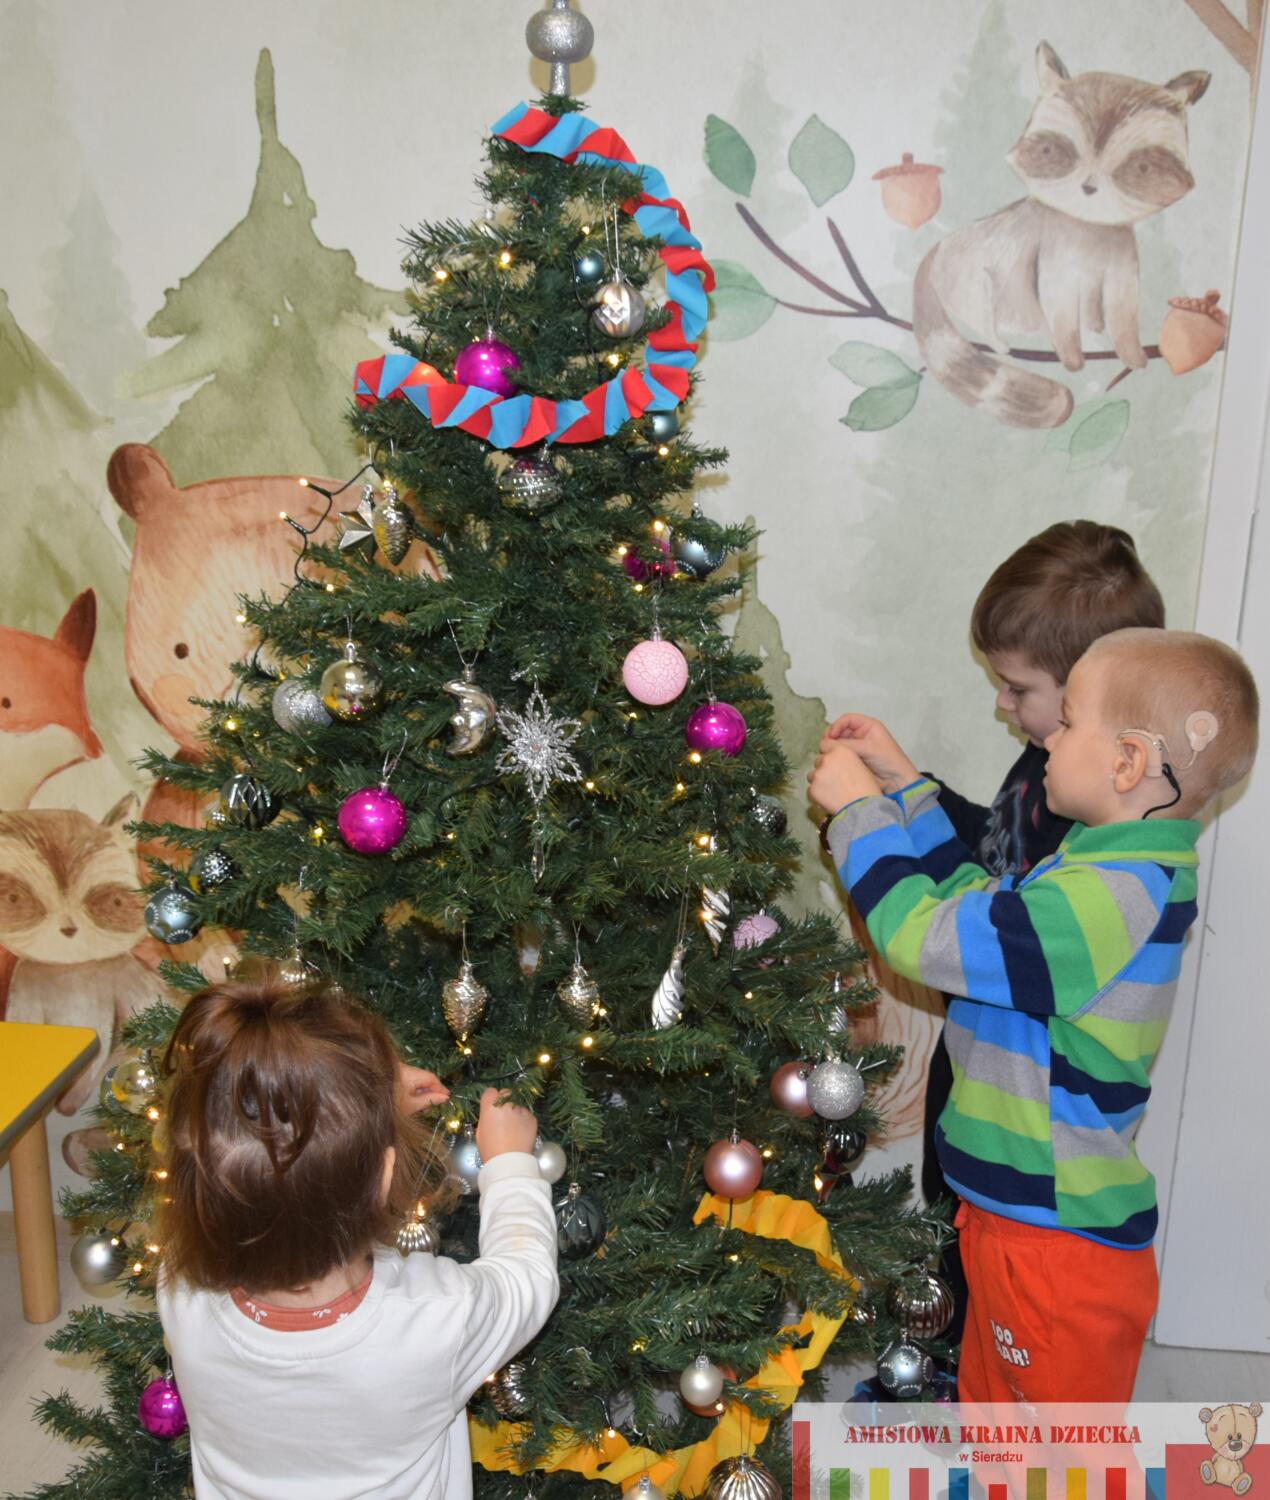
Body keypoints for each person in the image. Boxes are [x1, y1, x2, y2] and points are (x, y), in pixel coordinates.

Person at [809, 628, 1258, 1401]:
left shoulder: (1113, 896)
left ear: (1128, 762)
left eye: (1069, 722)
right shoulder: (1098, 866)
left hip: (1054, 1244)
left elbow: (924, 939)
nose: (1048, 738)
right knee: (997, 1421)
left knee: (1055, 1452)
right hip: (1018, 1221)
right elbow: (975, 907)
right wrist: (904, 787)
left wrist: (859, 816)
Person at [826, 520, 1165, 1345]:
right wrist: (906, 784)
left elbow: (946, 932)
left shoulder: (1096, 840)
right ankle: (963, 1364)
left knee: (1013, 1316)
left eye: (1019, 689)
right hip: (988, 1080)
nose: (1003, 705)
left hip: (1034, 1144)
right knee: (959, 1223)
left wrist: (863, 818)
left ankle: (975, 1366)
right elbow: (983, 875)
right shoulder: (1058, 770)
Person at [155, 979, 559, 1500]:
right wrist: (510, 1162)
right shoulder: (434, 1319)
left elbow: (261, 1158)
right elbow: (526, 1277)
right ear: (383, 1177)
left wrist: (360, 1104)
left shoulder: (181, 1289)